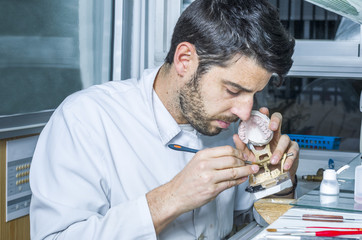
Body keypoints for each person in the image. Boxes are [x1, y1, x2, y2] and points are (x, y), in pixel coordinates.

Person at [29, 0, 298, 239]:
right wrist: (171, 198)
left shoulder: (227, 128)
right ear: (184, 60)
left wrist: (277, 181)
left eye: (254, 95)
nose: (244, 111)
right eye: (233, 90)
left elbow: (249, 224)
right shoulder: (86, 120)